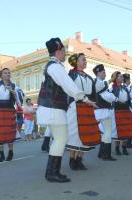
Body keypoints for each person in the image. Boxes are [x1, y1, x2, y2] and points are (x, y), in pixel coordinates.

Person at [37, 38, 96, 183]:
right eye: (64, 51)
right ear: (58, 51)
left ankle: (52, 172)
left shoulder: (53, 65)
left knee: (60, 139)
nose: (65, 54)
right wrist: (84, 98)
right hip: (53, 109)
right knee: (61, 139)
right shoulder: (55, 66)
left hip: (53, 108)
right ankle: (52, 173)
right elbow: (68, 85)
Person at [65, 53, 101, 170]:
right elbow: (68, 90)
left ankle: (79, 159)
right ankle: (72, 159)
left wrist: (94, 104)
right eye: (83, 60)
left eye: (85, 60)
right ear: (76, 62)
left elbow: (93, 94)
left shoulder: (89, 77)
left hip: (88, 108)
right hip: (75, 107)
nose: (85, 62)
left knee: (87, 133)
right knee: (75, 133)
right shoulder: (71, 75)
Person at [109, 71, 132, 155]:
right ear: (115, 78)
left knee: (126, 131)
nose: (122, 78)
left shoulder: (125, 88)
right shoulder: (111, 88)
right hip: (117, 111)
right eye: (120, 77)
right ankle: (117, 148)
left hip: (126, 110)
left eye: (122, 77)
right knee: (118, 131)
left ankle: (124, 148)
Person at [93, 64, 117, 161]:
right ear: (98, 73)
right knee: (107, 132)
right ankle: (106, 155)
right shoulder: (98, 82)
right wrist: (112, 79)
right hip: (102, 110)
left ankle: (101, 153)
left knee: (105, 132)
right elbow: (105, 92)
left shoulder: (99, 82)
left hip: (100, 110)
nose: (105, 74)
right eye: (103, 72)